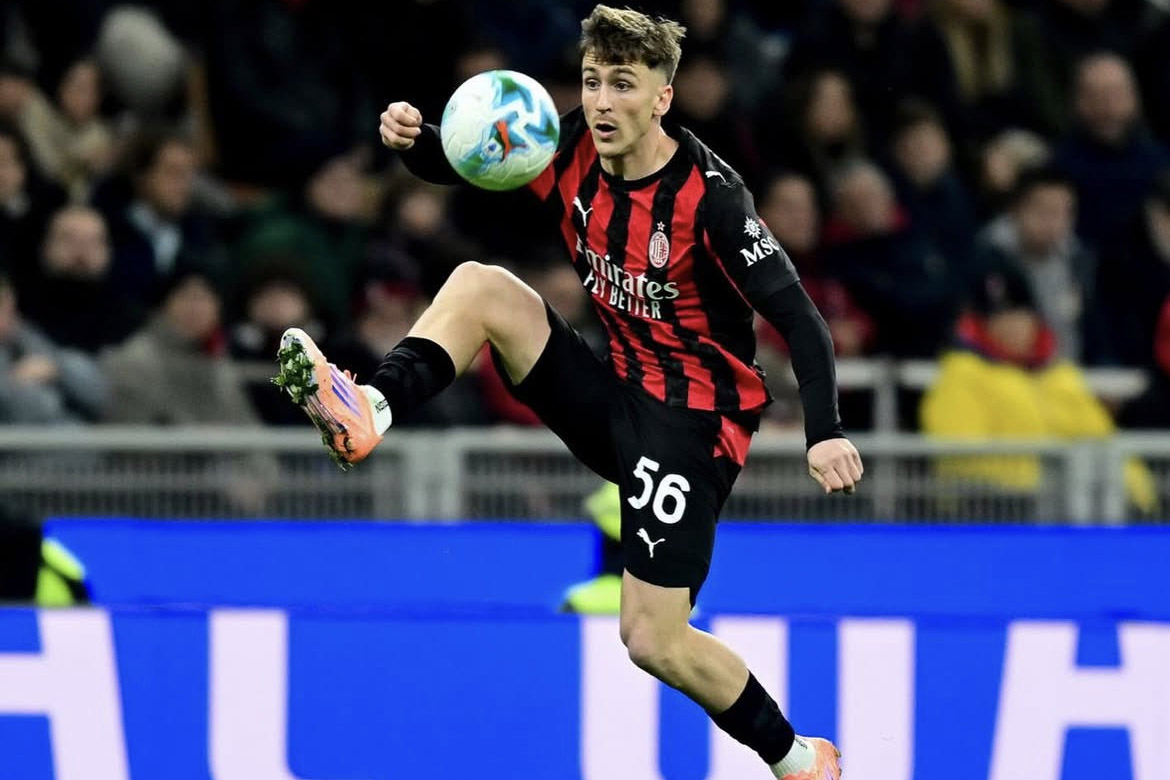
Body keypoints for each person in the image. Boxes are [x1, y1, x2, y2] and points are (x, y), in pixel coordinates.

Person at [273, 6, 860, 779]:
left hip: (690, 427)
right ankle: (369, 411)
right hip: (614, 390)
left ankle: (796, 760)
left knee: (652, 639)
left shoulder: (712, 199)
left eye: (624, 84)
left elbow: (802, 320)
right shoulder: (567, 141)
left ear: (663, 97)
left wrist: (825, 431)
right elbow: (469, 161)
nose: (603, 101)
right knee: (482, 286)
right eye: (592, 82)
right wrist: (418, 142)